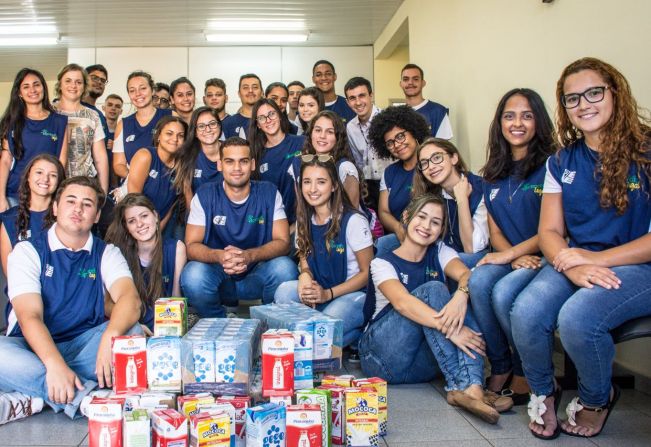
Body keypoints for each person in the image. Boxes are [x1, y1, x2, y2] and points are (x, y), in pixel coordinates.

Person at [511, 57, 651, 440]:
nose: (584, 104)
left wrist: (594, 260)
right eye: (572, 99)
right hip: (574, 260)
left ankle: (596, 398)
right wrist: (571, 266)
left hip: (638, 266)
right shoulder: (562, 160)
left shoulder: (647, 151)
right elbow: (550, 231)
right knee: (525, 310)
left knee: (576, 320)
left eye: (594, 93)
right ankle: (544, 391)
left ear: (615, 93)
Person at [0, 176, 142, 423]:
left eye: (87, 204)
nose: (78, 209)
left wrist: (110, 336)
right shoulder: (27, 251)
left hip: (85, 346)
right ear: (55, 208)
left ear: (97, 216)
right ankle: (83, 397)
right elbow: (29, 316)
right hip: (33, 349)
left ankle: (36, 393)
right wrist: (54, 364)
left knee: (132, 332)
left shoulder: (106, 252)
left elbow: (130, 299)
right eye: (71, 201)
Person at [359, 194, 511, 423]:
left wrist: (461, 295)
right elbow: (403, 303)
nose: (426, 226)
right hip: (381, 360)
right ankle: (465, 385)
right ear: (407, 217)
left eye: (435, 222)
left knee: (462, 302)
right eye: (422, 217)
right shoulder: (382, 262)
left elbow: (466, 275)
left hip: (420, 365)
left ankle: (470, 389)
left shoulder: (440, 251)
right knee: (434, 290)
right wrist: (454, 330)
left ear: (440, 230)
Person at [468, 88, 555, 405]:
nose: (517, 123)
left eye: (527, 115)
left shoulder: (551, 167)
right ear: (500, 123)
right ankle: (501, 364)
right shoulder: (492, 171)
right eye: (509, 116)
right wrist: (509, 256)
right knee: (478, 280)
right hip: (515, 257)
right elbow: (495, 226)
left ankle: (524, 372)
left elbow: (555, 228)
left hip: (546, 258)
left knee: (504, 292)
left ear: (538, 122)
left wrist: (511, 256)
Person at [180, 137, 297, 318]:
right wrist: (220, 256)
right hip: (220, 275)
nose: (236, 168)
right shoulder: (205, 194)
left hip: (256, 274)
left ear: (252, 164)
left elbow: (283, 242)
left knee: (285, 268)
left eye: (243, 161)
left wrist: (249, 256)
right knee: (192, 275)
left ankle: (266, 321)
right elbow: (191, 246)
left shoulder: (269, 192)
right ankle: (219, 320)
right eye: (229, 161)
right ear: (220, 165)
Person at [275, 155, 372, 346]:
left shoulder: (353, 220)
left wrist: (328, 294)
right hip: (321, 293)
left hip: (351, 294)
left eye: (321, 182)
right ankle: (326, 337)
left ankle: (358, 333)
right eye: (307, 182)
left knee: (321, 331)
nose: (312, 189)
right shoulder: (304, 219)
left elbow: (368, 273)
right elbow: (304, 259)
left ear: (334, 185)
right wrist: (305, 274)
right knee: (284, 292)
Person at [105, 193, 186, 334]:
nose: (140, 224)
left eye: (144, 216)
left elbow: (176, 298)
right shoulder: (118, 253)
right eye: (131, 221)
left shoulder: (177, 248)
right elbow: (108, 304)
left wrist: (170, 330)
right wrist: (133, 326)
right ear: (127, 228)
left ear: (155, 216)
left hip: (166, 325)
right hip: (132, 326)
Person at [411, 138, 489, 267]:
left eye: (436, 158)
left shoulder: (481, 188)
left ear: (454, 158)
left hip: (476, 258)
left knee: (458, 260)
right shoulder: (433, 194)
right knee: (389, 243)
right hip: (446, 251)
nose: (431, 167)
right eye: (424, 163)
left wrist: (462, 200)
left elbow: (471, 249)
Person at [0, 68, 68, 211]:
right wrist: (0, 197)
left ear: (43, 87)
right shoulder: (11, 122)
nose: (33, 90)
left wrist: (58, 196)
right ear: (19, 93)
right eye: (26, 86)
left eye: (36, 84)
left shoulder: (60, 122)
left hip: (46, 193)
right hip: (14, 194)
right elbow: (5, 161)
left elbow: (61, 163)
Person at [368, 106, 429, 255]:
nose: (397, 145)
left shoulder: (430, 165)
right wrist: (398, 228)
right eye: (390, 143)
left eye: (400, 136)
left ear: (413, 131)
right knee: (382, 245)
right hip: (401, 237)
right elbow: (383, 212)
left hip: (430, 235)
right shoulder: (389, 173)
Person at [0, 154, 65, 275]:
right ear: (28, 177)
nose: (45, 179)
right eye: (39, 172)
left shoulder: (65, 217)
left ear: (59, 182)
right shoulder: (9, 220)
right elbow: (10, 273)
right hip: (23, 290)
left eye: (53, 175)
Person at [125, 115, 187, 234]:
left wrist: (157, 232)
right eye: (169, 133)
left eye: (180, 135)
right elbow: (133, 200)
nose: (175, 139)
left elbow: (171, 207)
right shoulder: (145, 156)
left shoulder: (181, 166)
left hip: (159, 229)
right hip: (135, 228)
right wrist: (148, 233)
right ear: (158, 136)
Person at [53, 64, 109, 193]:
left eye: (78, 82)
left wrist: (103, 191)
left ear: (84, 87)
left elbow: (100, 157)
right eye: (68, 81)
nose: (73, 86)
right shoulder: (49, 112)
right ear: (60, 84)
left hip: (85, 183)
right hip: (53, 183)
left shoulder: (93, 115)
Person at [249, 99, 304, 225]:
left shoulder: (302, 142)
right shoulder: (256, 156)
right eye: (262, 118)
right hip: (275, 224)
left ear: (279, 115)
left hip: (303, 220)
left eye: (272, 114)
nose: (268, 120)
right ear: (258, 124)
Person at [112, 71, 173, 180]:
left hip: (165, 186)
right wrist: (138, 179)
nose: (138, 94)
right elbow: (118, 165)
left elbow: (182, 155)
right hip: (134, 190)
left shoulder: (170, 116)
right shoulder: (123, 124)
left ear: (152, 90)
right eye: (132, 90)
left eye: (143, 88)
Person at [344, 76, 391, 210]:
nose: (358, 102)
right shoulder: (351, 127)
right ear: (347, 102)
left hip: (390, 183)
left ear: (371, 95)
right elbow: (358, 161)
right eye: (352, 98)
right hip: (369, 187)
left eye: (362, 96)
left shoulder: (388, 119)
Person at [175, 106, 222, 199]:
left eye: (212, 124)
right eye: (201, 126)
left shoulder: (232, 150)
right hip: (198, 211)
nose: (208, 129)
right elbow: (188, 194)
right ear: (195, 132)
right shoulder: (187, 155)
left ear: (219, 126)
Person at [400, 63, 453, 139]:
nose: (410, 83)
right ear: (401, 84)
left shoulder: (438, 111)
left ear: (423, 83)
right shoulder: (398, 115)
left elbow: (443, 147)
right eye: (406, 79)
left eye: (415, 79)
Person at [222, 74, 263, 139]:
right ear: (239, 93)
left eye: (255, 87)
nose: (250, 91)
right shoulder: (227, 124)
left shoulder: (270, 122)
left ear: (262, 93)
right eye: (245, 88)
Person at [82, 64, 110, 145]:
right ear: (84, 79)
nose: (99, 82)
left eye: (103, 80)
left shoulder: (100, 116)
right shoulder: (72, 108)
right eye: (94, 78)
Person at [101, 94, 124, 189]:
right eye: (110, 105)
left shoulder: (124, 132)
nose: (113, 108)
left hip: (117, 183)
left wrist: (117, 146)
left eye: (117, 106)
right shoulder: (96, 130)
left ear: (121, 111)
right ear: (103, 108)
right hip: (98, 179)